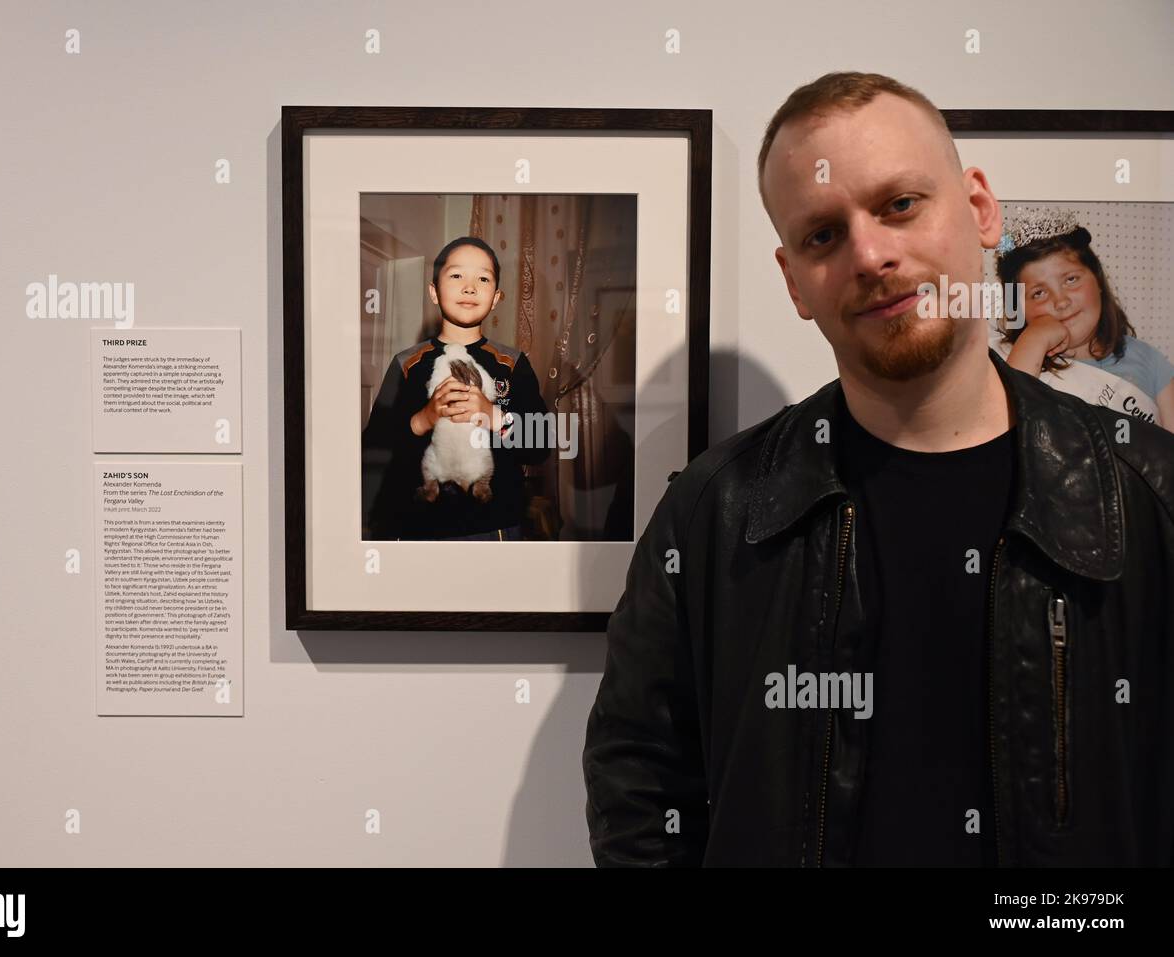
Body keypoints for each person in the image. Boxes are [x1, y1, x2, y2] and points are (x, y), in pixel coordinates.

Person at [582, 71, 1174, 866]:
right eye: (823, 235)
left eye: (899, 205)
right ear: (794, 279)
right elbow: (638, 790)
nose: (871, 254)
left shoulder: (1149, 490)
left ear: (979, 210)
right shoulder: (713, 512)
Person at [361, 236, 551, 541]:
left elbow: (542, 445)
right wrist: (422, 419)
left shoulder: (512, 364)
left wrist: (495, 416)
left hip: (496, 528)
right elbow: (372, 448)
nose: (470, 286)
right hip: (420, 530)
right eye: (457, 275)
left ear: (497, 297)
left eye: (483, 278)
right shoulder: (408, 364)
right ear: (434, 292)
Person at [991, 206, 1174, 430]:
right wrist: (1034, 340)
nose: (1061, 301)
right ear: (1018, 309)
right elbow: (1006, 426)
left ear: (1097, 279)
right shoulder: (1015, 360)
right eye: (1038, 293)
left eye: (1071, 279)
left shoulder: (1150, 361)